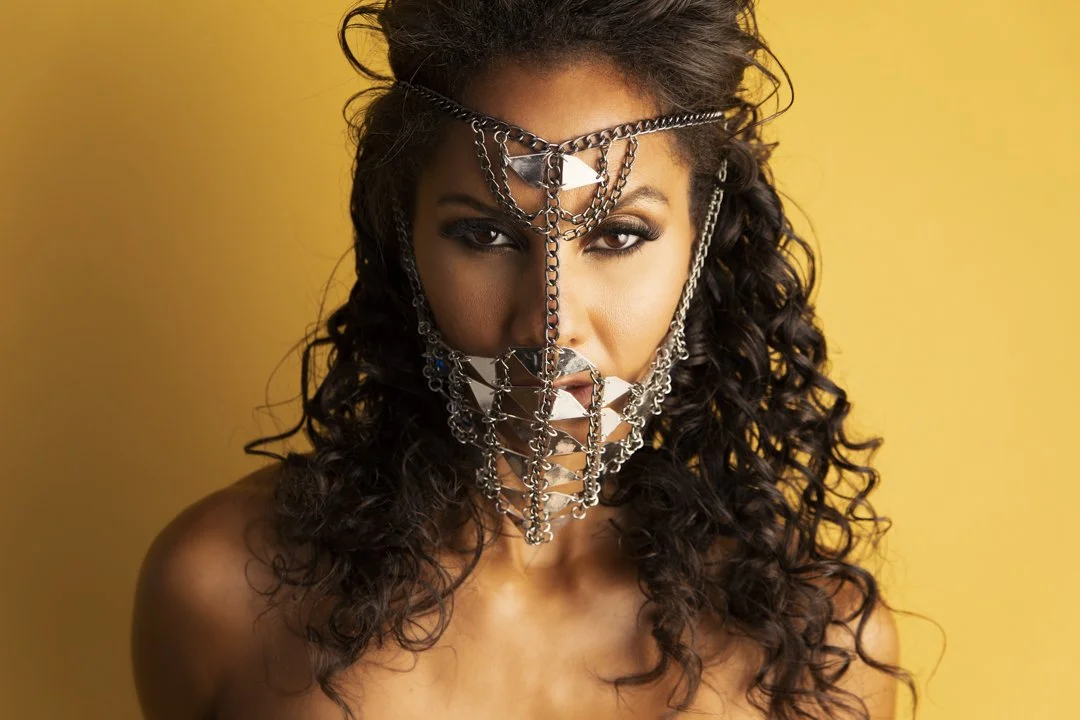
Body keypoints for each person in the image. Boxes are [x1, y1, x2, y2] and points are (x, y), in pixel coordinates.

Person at [131, 1, 918, 718]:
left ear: (701, 243)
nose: (551, 324)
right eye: (484, 234)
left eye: (618, 236)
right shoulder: (222, 590)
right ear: (402, 236)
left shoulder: (820, 650)